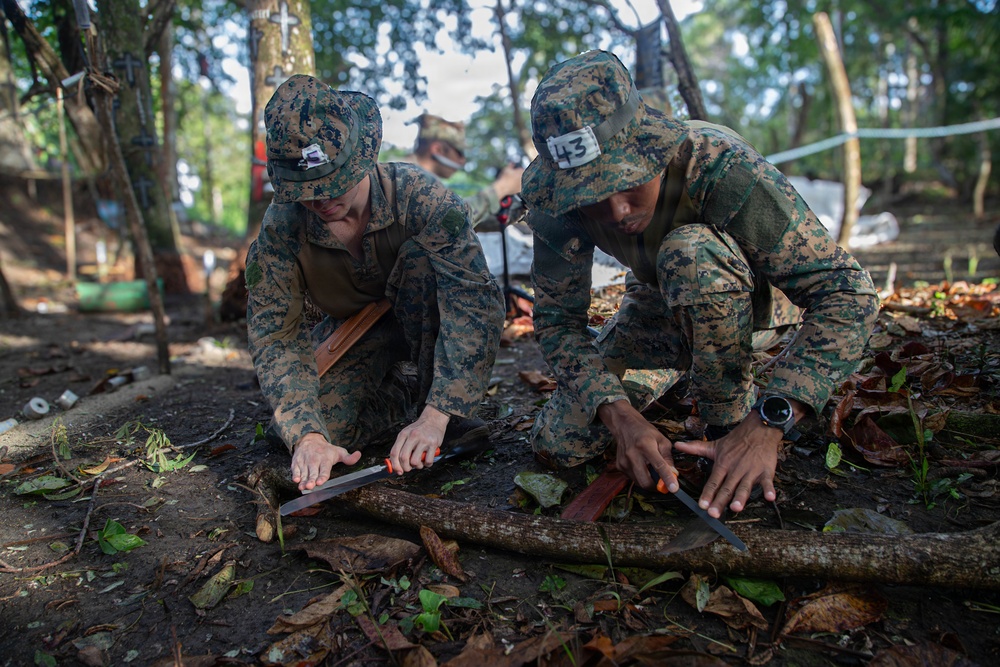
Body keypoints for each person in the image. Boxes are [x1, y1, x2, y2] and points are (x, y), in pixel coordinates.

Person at [520, 51, 880, 519]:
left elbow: (847, 291)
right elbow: (557, 323)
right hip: (661, 304)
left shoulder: (717, 164)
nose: (617, 212)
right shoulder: (554, 202)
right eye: (589, 196)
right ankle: (677, 371)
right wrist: (619, 416)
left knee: (690, 254)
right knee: (560, 441)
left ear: (651, 148)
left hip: (754, 303)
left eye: (627, 180)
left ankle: (725, 420)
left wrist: (767, 421)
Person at [246, 75, 505, 492]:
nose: (321, 200)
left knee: (422, 260)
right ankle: (400, 395)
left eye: (333, 181)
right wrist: (308, 435)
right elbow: (275, 333)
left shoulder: (419, 198)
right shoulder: (282, 229)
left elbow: (475, 301)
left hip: (433, 325)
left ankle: (436, 403)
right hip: (356, 331)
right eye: (306, 191)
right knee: (302, 433)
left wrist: (438, 414)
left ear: (362, 157)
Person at [403, 113, 524, 228]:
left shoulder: (425, 182)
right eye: (460, 152)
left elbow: (469, 222)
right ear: (438, 149)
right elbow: (448, 224)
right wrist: (501, 188)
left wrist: (521, 204)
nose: (462, 161)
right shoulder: (407, 176)